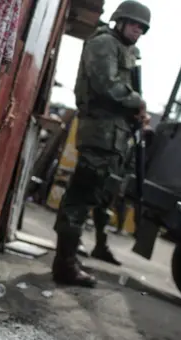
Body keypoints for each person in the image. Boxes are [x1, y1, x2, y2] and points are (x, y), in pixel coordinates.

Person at [52, 0, 151, 288]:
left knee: (92, 196)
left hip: (112, 138)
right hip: (99, 134)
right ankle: (65, 264)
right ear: (120, 21)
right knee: (80, 198)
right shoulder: (105, 43)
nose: (139, 31)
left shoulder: (127, 51)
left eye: (143, 28)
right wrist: (138, 101)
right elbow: (105, 84)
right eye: (135, 24)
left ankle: (68, 258)